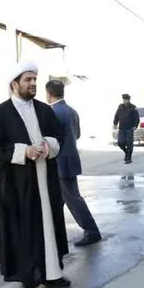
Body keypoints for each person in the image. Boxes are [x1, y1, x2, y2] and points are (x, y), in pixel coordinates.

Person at [0, 61, 71, 288]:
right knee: (25, 230)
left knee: (49, 226)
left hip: (45, 181)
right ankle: (29, 278)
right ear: (14, 84)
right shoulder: (0, 114)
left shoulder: (44, 110)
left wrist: (48, 146)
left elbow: (59, 136)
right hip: (19, 186)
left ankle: (53, 274)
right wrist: (23, 152)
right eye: (28, 80)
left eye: (34, 80)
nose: (33, 83)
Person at [46, 80, 102, 247]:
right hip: (69, 159)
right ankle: (55, 234)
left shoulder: (52, 112)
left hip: (60, 162)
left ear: (48, 94)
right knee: (60, 200)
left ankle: (92, 231)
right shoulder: (71, 111)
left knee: (73, 199)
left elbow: (51, 140)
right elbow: (76, 134)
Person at [113, 94, 140, 164]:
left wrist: (135, 126)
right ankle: (126, 152)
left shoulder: (133, 107)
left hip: (129, 128)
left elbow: (137, 118)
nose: (124, 101)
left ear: (128, 100)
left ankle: (129, 159)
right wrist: (115, 123)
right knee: (120, 143)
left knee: (129, 143)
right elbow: (116, 115)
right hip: (121, 128)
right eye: (124, 100)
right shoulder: (120, 106)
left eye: (126, 100)